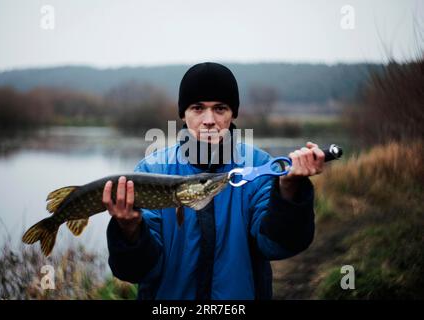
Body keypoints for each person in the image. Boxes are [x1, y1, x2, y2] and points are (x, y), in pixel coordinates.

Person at [104, 62, 325, 300]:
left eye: (220, 108)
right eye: (198, 108)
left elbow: (276, 245)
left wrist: (289, 191)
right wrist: (129, 231)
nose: (209, 120)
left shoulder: (260, 166)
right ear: (184, 114)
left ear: (232, 114)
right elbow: (138, 270)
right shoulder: (151, 169)